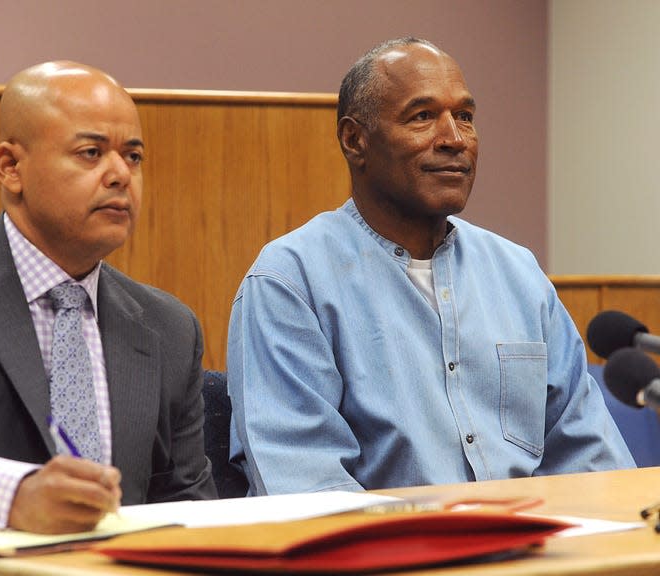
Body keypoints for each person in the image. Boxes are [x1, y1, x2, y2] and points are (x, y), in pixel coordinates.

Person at [227, 37, 635, 496]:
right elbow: (305, 486)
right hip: (390, 559)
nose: (455, 140)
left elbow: (593, 461)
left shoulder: (519, 275)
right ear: (354, 140)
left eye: (465, 117)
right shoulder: (289, 281)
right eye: (423, 117)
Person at [0, 61, 216, 533]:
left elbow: (188, 504)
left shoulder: (169, 325)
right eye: (91, 152)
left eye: (133, 157)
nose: (120, 175)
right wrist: (15, 497)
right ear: (11, 167)